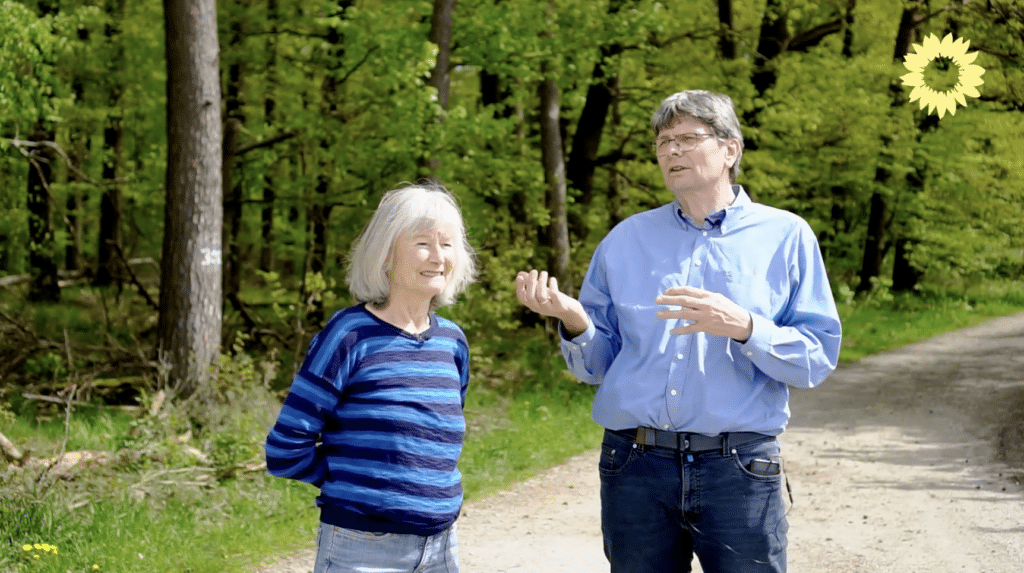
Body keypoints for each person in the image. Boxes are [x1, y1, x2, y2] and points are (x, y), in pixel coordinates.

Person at [515, 90, 842, 573]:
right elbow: (598, 367)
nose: (671, 151)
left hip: (740, 469)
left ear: (730, 149)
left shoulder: (786, 237)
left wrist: (747, 327)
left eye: (688, 138)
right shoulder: (625, 239)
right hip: (634, 467)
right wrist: (574, 319)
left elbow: (816, 358)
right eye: (664, 141)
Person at [265, 182, 476, 573]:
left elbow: (434, 436)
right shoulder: (349, 335)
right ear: (385, 255)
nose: (438, 257)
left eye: (447, 245)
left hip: (442, 549)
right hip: (361, 550)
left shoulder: (452, 342)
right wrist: (353, 481)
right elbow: (285, 448)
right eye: (422, 244)